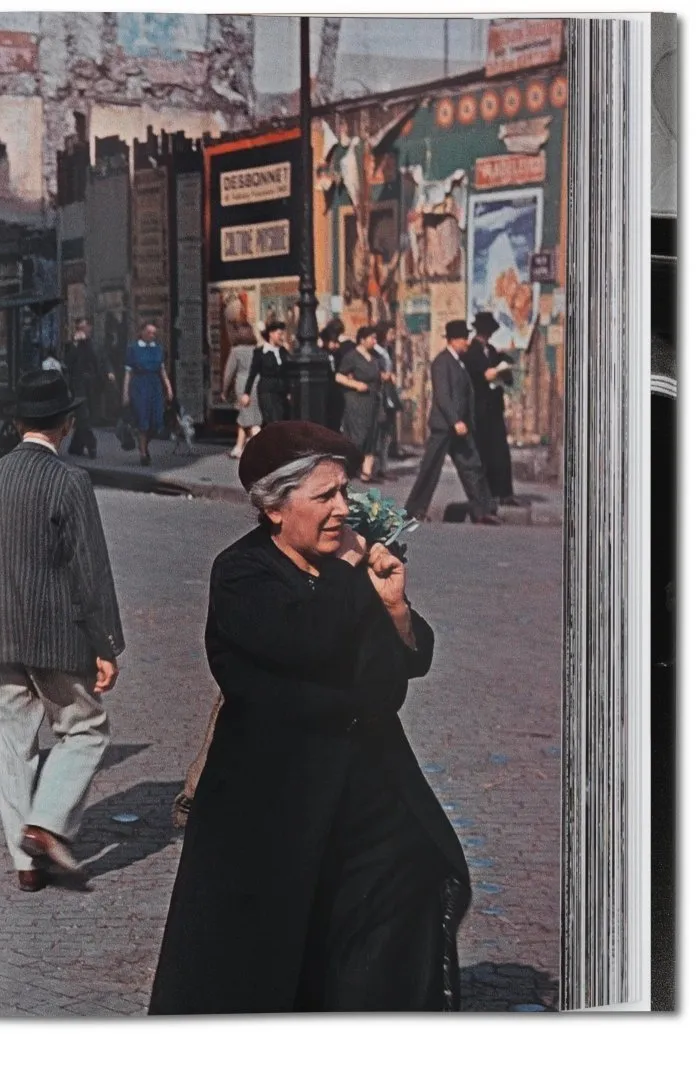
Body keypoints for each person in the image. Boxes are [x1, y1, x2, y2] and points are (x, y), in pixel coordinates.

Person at [149, 421, 470, 1012]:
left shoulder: (347, 570)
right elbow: (309, 641)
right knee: (274, 964)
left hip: (369, 795)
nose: (343, 510)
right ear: (274, 507)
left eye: (344, 493)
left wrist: (395, 608)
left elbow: (411, 658)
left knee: (390, 926)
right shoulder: (243, 573)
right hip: (275, 804)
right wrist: (354, 579)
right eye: (325, 497)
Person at [0, 369, 124, 892]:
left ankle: (23, 863)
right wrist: (107, 645)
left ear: (16, 422)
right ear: (67, 424)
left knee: (13, 744)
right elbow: (89, 570)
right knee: (85, 730)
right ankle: (47, 825)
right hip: (56, 634)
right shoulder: (69, 481)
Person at [402, 320, 500, 525]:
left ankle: (481, 510)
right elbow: (443, 395)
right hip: (445, 426)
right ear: (454, 340)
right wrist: (455, 420)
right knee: (430, 468)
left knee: (472, 466)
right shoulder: (441, 362)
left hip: (461, 427)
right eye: (464, 338)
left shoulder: (459, 361)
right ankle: (413, 510)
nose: (467, 343)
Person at [463, 310, 518, 504]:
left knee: (500, 451)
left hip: (494, 407)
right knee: (483, 451)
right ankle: (485, 494)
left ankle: (504, 493)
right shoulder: (471, 353)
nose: (488, 336)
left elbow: (505, 377)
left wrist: (504, 371)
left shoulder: (492, 351)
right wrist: (488, 373)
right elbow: (475, 377)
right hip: (479, 409)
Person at [334, 325, 385, 482]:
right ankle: (346, 468)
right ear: (362, 339)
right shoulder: (352, 356)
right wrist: (356, 385)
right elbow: (339, 377)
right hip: (357, 401)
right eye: (372, 338)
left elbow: (376, 375)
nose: (374, 341)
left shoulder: (374, 356)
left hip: (372, 400)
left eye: (375, 338)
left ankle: (366, 472)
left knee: (372, 434)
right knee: (358, 435)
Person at [122, 320, 173, 467]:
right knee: (143, 420)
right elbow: (128, 373)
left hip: (155, 387)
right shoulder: (133, 349)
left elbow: (162, 371)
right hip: (140, 387)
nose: (152, 336)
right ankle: (143, 452)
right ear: (141, 332)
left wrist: (168, 388)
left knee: (156, 422)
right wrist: (125, 393)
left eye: (154, 333)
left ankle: (143, 443)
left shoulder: (158, 349)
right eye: (149, 332)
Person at [63, 318, 108, 458]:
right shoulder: (72, 345)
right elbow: (67, 363)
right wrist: (75, 344)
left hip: (93, 384)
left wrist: (109, 372)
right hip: (78, 384)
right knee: (83, 415)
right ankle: (92, 444)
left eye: (84, 328)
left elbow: (102, 360)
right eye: (78, 328)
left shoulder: (95, 344)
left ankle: (75, 447)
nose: (81, 331)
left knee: (88, 416)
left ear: (90, 328)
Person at [221, 323, 261, 458]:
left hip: (242, 385)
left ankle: (260, 447)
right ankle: (239, 447)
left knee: (249, 418)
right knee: (246, 416)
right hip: (257, 384)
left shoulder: (236, 351)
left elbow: (229, 372)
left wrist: (224, 390)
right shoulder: (257, 349)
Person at [240, 320, 290, 428]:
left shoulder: (284, 352)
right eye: (279, 334)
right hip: (267, 391)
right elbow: (252, 373)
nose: (282, 337)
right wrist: (246, 393)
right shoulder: (260, 352)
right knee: (273, 421)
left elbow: (288, 372)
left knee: (282, 420)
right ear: (271, 334)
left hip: (282, 393)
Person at [370, 321, 401, 478]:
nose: (393, 336)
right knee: (377, 430)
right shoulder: (374, 352)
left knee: (387, 432)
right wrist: (384, 375)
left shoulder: (388, 350)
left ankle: (384, 466)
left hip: (389, 393)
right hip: (380, 394)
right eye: (390, 332)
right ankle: (373, 467)